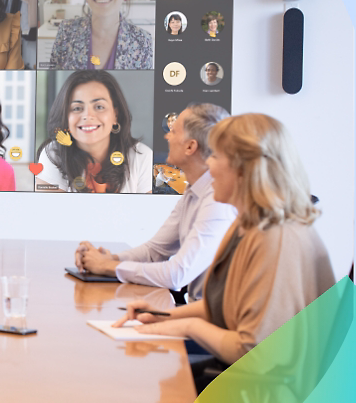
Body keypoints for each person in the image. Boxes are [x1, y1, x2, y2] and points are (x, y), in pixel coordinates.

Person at [118, 114, 335, 368]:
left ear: (244, 169)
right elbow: (220, 307)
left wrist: (188, 325)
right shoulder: (247, 224)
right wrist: (161, 316)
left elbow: (252, 350)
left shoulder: (277, 238)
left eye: (215, 156)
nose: (208, 166)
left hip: (279, 397)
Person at [74, 104, 237, 299]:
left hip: (210, 321)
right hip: (195, 314)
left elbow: (177, 274)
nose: (167, 136)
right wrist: (108, 259)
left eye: (174, 131)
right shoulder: (193, 190)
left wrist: (108, 266)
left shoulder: (217, 200)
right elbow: (155, 251)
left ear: (190, 146)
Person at [35, 70, 153, 193]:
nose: (87, 115)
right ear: (65, 117)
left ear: (115, 115)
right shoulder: (54, 154)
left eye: (99, 107)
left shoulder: (143, 156)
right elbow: (48, 210)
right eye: (77, 108)